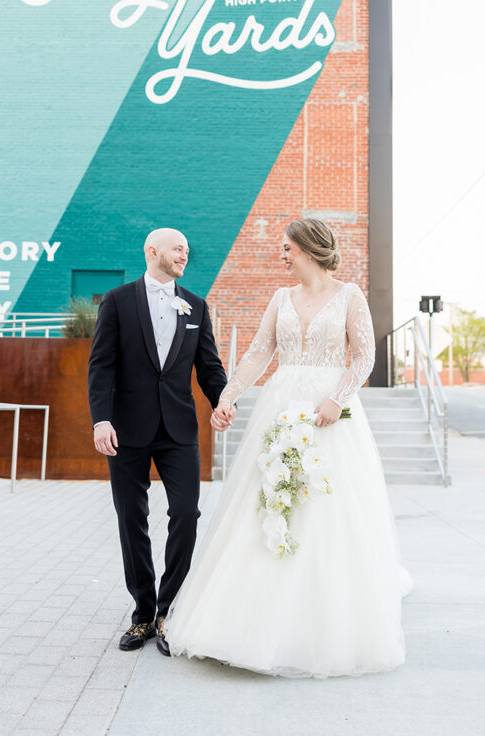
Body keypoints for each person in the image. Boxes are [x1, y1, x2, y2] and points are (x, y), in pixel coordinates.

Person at [165, 218, 414, 678]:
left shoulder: (350, 296)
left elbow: (364, 356)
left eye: (286, 249)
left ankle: (318, 621)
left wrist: (336, 399)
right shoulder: (281, 298)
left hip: (329, 411)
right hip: (280, 405)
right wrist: (227, 397)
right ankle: (244, 620)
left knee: (324, 507)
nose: (281, 256)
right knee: (266, 499)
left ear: (308, 249)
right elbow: (260, 351)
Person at [88, 228, 231, 657]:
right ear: (153, 252)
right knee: (130, 519)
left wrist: (222, 400)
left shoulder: (196, 305)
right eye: (177, 249)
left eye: (187, 249)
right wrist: (101, 420)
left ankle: (170, 611)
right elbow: (101, 366)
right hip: (126, 430)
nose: (185, 254)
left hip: (179, 430)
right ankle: (142, 615)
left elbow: (209, 365)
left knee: (186, 513)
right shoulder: (116, 301)